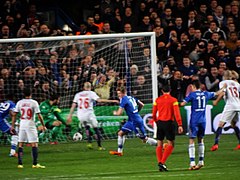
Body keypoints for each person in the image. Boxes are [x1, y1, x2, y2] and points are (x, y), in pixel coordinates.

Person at [180, 80, 225, 170]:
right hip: (203, 121)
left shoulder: (192, 95)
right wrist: (223, 88)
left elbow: (182, 104)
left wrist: (176, 104)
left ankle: (192, 162)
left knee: (192, 139)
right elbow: (216, 93)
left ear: (193, 86)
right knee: (201, 140)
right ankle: (201, 161)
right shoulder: (205, 94)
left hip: (194, 121)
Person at [67, 82, 118, 150]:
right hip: (89, 114)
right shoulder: (91, 93)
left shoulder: (78, 94)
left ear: (84, 87)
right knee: (96, 129)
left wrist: (70, 115)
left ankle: (89, 143)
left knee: (87, 127)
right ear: (90, 87)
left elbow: (73, 105)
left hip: (80, 115)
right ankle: (100, 146)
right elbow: (99, 100)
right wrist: (112, 101)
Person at [109, 86, 157, 156]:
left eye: (119, 93)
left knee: (144, 139)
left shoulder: (123, 99)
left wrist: (115, 113)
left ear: (124, 93)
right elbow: (142, 104)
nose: (118, 95)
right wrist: (136, 112)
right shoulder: (131, 97)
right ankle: (119, 151)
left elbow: (119, 113)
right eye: (118, 94)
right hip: (134, 119)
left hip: (134, 121)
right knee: (121, 133)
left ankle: (161, 145)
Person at [11, 87, 46, 169]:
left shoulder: (19, 103)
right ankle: (35, 163)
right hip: (30, 124)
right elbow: (39, 115)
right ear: (31, 93)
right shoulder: (34, 103)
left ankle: (20, 164)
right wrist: (43, 125)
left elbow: (14, 114)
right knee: (34, 144)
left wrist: (12, 126)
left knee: (21, 143)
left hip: (22, 124)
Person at [152, 85, 183, 172]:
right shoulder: (174, 100)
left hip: (160, 123)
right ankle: (162, 162)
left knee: (159, 144)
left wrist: (156, 121)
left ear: (162, 91)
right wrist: (180, 124)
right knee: (171, 144)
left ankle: (160, 164)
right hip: (169, 123)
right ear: (170, 90)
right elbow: (177, 113)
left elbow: (154, 113)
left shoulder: (157, 100)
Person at [211, 70, 240, 151]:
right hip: (238, 105)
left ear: (224, 76)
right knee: (233, 124)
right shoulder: (237, 84)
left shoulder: (223, 83)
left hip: (230, 105)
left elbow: (223, 93)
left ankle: (215, 144)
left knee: (220, 124)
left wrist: (216, 101)